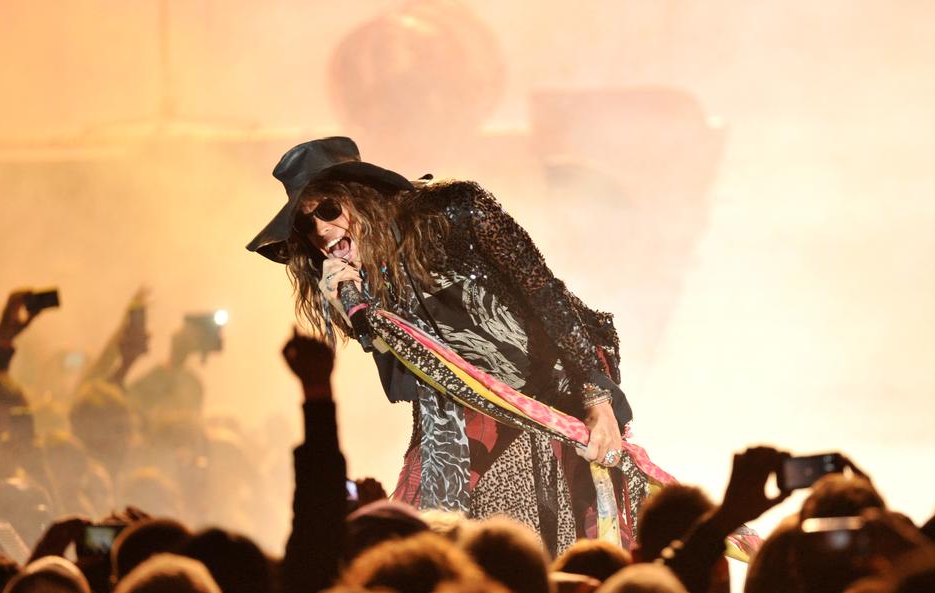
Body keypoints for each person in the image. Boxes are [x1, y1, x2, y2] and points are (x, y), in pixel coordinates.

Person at [247, 137, 669, 555]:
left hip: (542, 398)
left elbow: (545, 294)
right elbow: (406, 380)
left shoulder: (453, 209)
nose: (320, 230)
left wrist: (597, 398)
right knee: (428, 549)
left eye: (328, 209)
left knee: (533, 543)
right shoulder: (363, 284)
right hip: (453, 422)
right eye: (306, 223)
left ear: (361, 198)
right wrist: (360, 316)